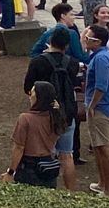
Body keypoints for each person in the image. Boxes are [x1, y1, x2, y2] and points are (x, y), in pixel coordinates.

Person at [22, 26, 81, 191]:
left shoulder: (38, 62)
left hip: (43, 114)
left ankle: (48, 190)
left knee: (45, 154)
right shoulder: (72, 64)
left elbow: (27, 86)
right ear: (67, 45)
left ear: (50, 41)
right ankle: (71, 192)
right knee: (67, 155)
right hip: (66, 113)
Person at [82, 24, 109, 197]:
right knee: (98, 147)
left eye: (88, 37)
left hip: (101, 109)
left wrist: (91, 106)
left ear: (97, 42)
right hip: (107, 107)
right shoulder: (106, 56)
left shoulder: (101, 59)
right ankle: (102, 183)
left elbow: (101, 86)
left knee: (103, 148)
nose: (85, 39)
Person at [2, 80, 63, 188]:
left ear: (39, 97)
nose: (30, 94)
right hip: (49, 166)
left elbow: (19, 148)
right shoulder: (56, 118)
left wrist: (10, 172)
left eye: (33, 92)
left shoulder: (25, 119)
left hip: (29, 169)